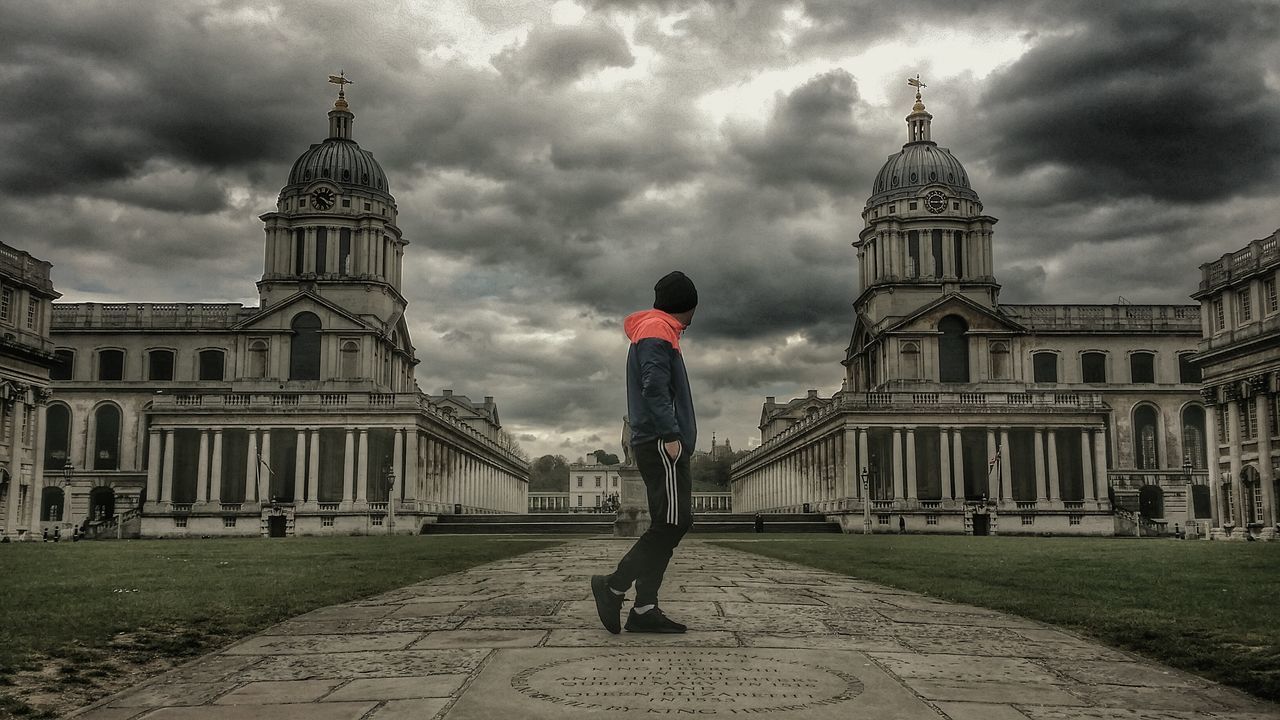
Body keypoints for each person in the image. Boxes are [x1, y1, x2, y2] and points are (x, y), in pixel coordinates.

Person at [592, 271, 698, 634]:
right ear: (689, 305)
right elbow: (654, 384)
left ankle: (644, 608)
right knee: (673, 521)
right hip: (660, 440)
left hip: (655, 439)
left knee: (670, 522)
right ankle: (614, 586)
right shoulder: (658, 328)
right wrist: (670, 434)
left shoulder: (654, 327)